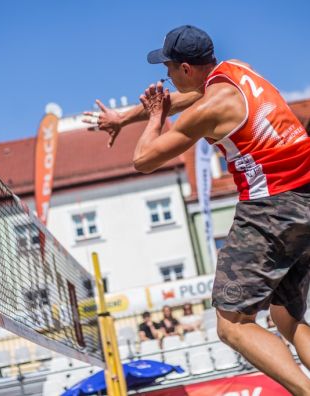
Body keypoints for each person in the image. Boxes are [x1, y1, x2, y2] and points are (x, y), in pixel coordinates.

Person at [84, 25, 310, 395]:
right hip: (305, 200)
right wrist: (123, 119)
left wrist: (156, 118)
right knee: (286, 318)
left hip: (271, 208)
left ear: (186, 69)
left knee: (232, 325)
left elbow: (143, 159)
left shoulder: (211, 108)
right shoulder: (238, 70)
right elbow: (181, 100)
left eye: (169, 69)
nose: (167, 77)